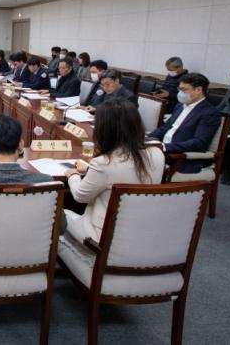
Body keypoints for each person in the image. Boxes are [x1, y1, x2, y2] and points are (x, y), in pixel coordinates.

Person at [64, 98, 165, 244]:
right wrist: (90, 169)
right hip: (141, 230)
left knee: (58, 213)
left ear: (104, 129)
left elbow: (80, 196)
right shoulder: (157, 154)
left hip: (103, 236)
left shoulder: (104, 163)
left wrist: (72, 175)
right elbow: (126, 172)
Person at [148, 73, 221, 174]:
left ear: (198, 90)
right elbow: (165, 127)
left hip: (180, 157)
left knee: (139, 160)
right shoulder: (180, 105)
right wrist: (147, 138)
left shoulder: (209, 113)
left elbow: (198, 142)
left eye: (184, 90)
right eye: (179, 89)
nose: (180, 93)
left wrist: (165, 147)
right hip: (163, 150)